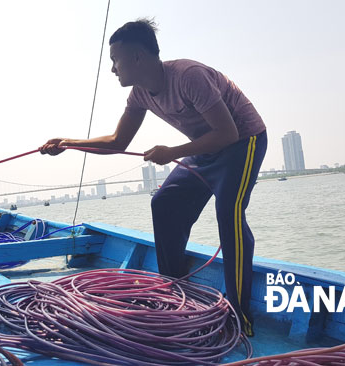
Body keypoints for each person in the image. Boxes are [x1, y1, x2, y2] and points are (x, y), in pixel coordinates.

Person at [40, 19, 266, 336]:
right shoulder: (140, 95)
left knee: (228, 214)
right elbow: (118, 143)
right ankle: (174, 289)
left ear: (137, 57)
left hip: (243, 142)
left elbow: (227, 133)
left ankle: (240, 315)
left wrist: (173, 151)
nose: (112, 69)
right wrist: (68, 143)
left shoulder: (189, 77)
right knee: (165, 202)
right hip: (206, 147)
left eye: (115, 60)